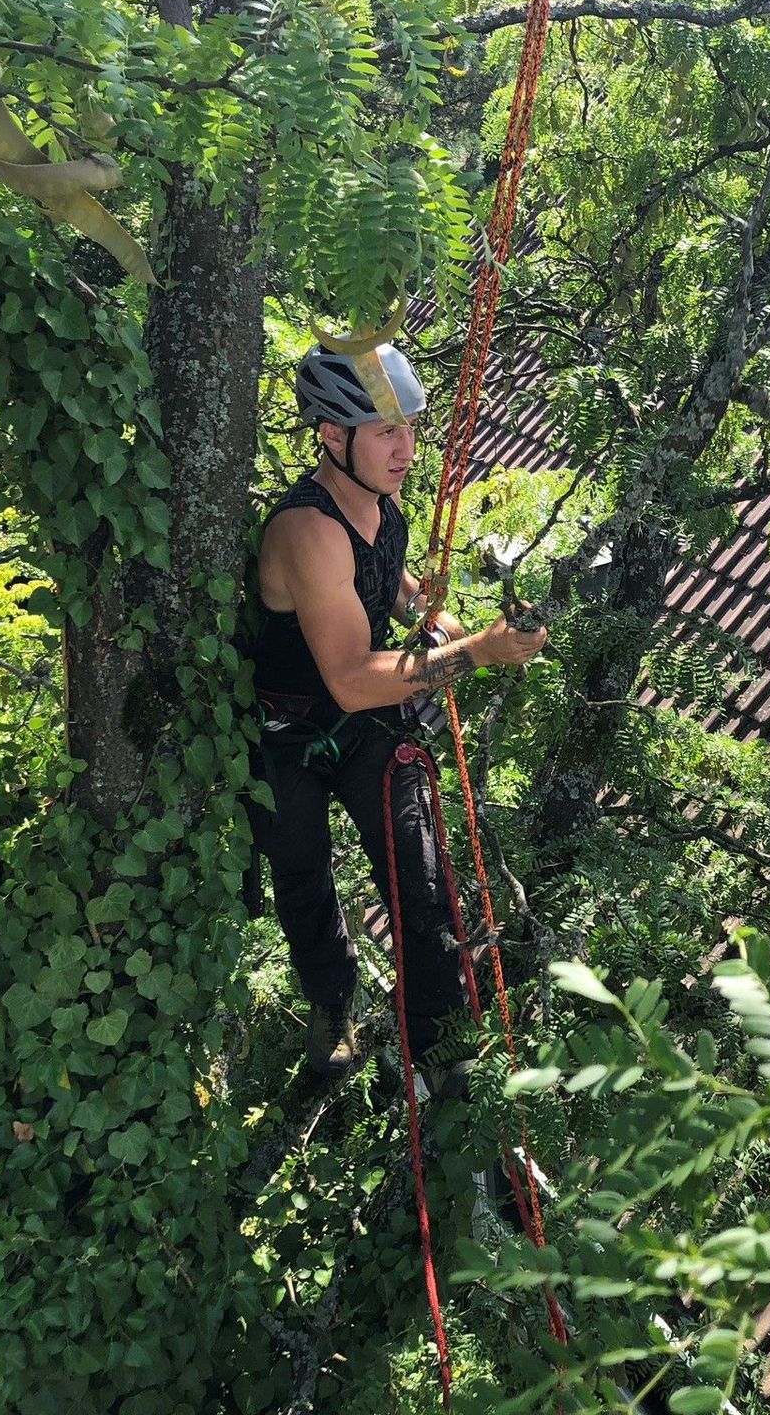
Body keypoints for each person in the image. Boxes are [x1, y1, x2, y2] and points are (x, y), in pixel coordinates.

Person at [247, 343, 547, 1076]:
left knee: (423, 882)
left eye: (409, 427)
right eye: (386, 431)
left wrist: (425, 611)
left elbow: (390, 575)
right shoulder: (307, 531)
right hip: (291, 732)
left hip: (365, 724)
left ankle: (442, 1050)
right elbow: (352, 677)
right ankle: (332, 1006)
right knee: (304, 880)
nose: (407, 449)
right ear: (331, 435)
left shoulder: (378, 502)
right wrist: (474, 651)